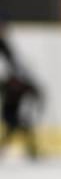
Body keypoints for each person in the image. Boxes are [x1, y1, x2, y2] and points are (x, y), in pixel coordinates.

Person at [0, 24, 42, 159]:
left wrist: (34, 91)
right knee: (15, 124)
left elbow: (34, 91)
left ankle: (31, 149)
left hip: (13, 102)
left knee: (16, 125)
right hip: (10, 102)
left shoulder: (7, 50)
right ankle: (31, 149)